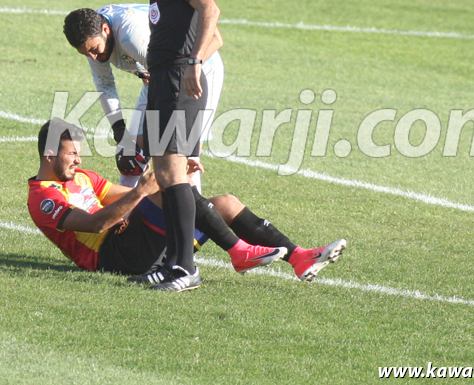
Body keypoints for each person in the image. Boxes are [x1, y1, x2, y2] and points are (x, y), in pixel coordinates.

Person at [27, 119, 347, 290]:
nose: (78, 159)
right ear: (49, 155)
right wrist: (143, 193)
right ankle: (238, 252)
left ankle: (299, 257)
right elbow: (97, 224)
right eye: (72, 154)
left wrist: (153, 192)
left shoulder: (81, 176)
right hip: (112, 256)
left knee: (223, 203)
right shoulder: (43, 198)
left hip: (134, 240)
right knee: (169, 187)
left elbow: (118, 201)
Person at [112, 0, 223, 291]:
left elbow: (211, 10)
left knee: (174, 170)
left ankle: (186, 268)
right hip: (162, 81)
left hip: (178, 78)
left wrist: (194, 62)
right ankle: (173, 263)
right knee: (162, 170)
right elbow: (211, 34)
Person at [62, 4, 224, 191]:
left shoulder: (131, 36)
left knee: (183, 159)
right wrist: (120, 130)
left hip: (195, 71)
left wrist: (189, 142)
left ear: (105, 30)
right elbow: (105, 84)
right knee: (131, 159)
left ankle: (191, 215)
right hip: (158, 74)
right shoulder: (93, 38)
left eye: (95, 49)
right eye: (85, 53)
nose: (93, 57)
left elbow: (175, 75)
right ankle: (126, 217)